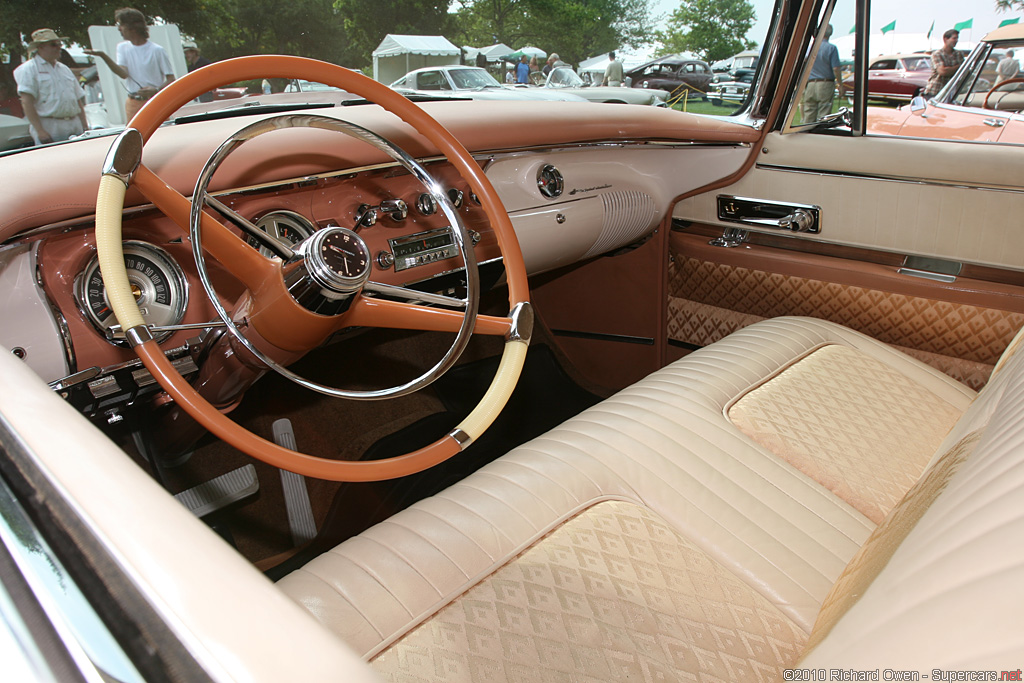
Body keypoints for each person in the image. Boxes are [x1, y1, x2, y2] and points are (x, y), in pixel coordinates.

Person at [84, 7, 175, 120]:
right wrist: (103, 56)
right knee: (135, 136)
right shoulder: (122, 47)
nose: (119, 29)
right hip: (133, 103)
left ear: (133, 28)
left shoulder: (157, 50)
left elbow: (171, 79)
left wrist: (156, 90)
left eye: (121, 24)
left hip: (155, 102)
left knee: (162, 133)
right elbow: (123, 74)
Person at [13, 28, 87, 145]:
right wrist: (40, 131)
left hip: (74, 124)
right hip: (49, 125)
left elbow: (77, 100)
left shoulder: (64, 69)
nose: (58, 48)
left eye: (59, 44)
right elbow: (27, 102)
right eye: (53, 45)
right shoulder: (29, 69)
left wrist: (85, 126)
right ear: (40, 47)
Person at [801, 24, 844, 122]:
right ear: (830, 34)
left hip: (811, 84)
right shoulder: (831, 48)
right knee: (824, 114)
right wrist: (840, 84)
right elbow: (836, 68)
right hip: (825, 83)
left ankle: (806, 134)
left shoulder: (810, 48)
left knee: (809, 113)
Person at [924, 29, 964, 99]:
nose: (956, 40)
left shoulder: (959, 54)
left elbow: (964, 70)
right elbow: (942, 71)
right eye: (954, 38)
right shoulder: (937, 54)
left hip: (951, 91)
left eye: (957, 38)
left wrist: (951, 69)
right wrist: (959, 67)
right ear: (945, 39)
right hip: (936, 91)